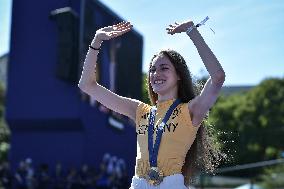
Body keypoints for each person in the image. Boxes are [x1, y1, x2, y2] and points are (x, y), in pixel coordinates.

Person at [78, 19, 226, 189]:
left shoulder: (190, 111)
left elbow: (218, 77)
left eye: (164, 68)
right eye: (152, 70)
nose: (156, 74)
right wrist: (97, 41)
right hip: (138, 184)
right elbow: (86, 85)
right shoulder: (139, 110)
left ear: (179, 75)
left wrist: (191, 30)